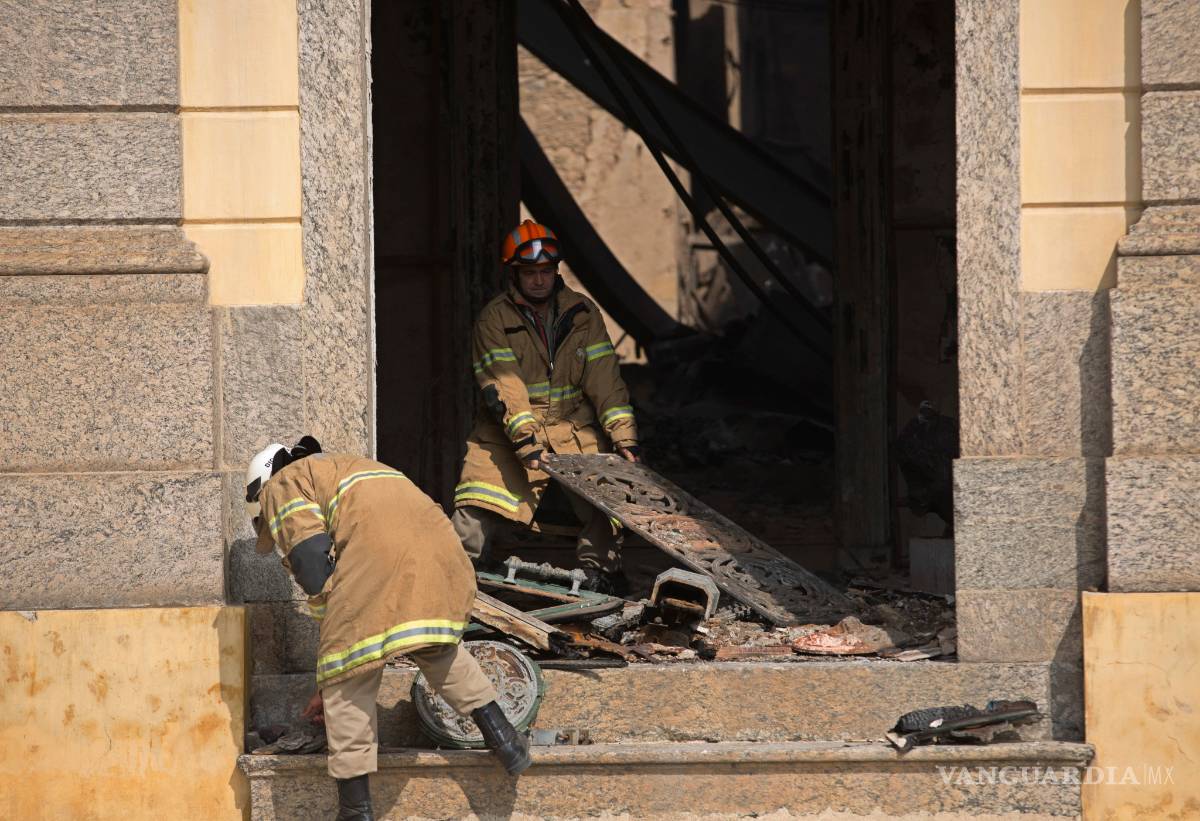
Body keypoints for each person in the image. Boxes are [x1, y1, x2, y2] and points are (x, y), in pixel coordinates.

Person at [245, 437, 531, 821]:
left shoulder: (283, 482)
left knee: (349, 672)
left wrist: (331, 672)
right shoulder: (350, 466)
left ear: (264, 483)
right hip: (441, 550)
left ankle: (355, 810)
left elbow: (312, 563)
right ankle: (506, 739)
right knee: (436, 646)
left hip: (379, 554)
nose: (271, 528)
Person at [451, 220, 641, 593]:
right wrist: (525, 439)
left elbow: (604, 379)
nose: (538, 280)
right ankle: (455, 584)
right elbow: (504, 386)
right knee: (474, 505)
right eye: (529, 273)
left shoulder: (584, 314)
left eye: (545, 271)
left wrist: (624, 438)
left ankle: (601, 584)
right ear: (514, 274)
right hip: (504, 433)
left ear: (556, 271)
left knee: (602, 505)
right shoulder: (494, 320)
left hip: (573, 427)